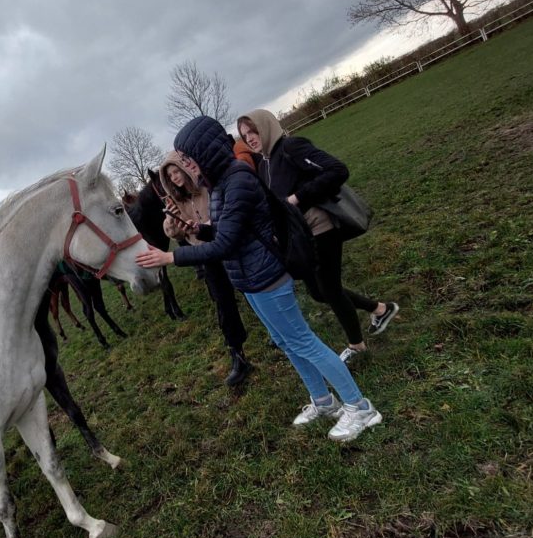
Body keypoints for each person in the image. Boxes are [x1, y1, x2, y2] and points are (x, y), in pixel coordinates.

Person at [137, 116, 383, 442]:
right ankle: (324, 401)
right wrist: (197, 229)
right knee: (286, 342)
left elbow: (224, 245)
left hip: (266, 276)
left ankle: (359, 406)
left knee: (302, 340)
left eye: (187, 158)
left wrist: (170, 257)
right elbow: (227, 233)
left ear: (204, 152)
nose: (186, 166)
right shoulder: (221, 184)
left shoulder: (237, 181)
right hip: (249, 279)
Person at [237, 109, 398, 364]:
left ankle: (357, 346)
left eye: (253, 131)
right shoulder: (265, 164)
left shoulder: (292, 147)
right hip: (300, 235)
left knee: (330, 289)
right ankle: (380, 308)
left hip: (321, 227)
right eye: (245, 136)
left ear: (266, 127)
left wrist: (298, 198)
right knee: (317, 291)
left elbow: (337, 170)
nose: (251, 139)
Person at [159, 151, 251, 388]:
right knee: (222, 302)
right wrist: (173, 221)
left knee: (250, 289)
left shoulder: (208, 188)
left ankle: (276, 332)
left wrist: (203, 225)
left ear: (184, 168)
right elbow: (175, 234)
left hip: (227, 245)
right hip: (205, 254)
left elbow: (223, 215)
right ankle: (237, 355)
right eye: (170, 176)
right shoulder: (176, 201)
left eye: (176, 171)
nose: (175, 177)